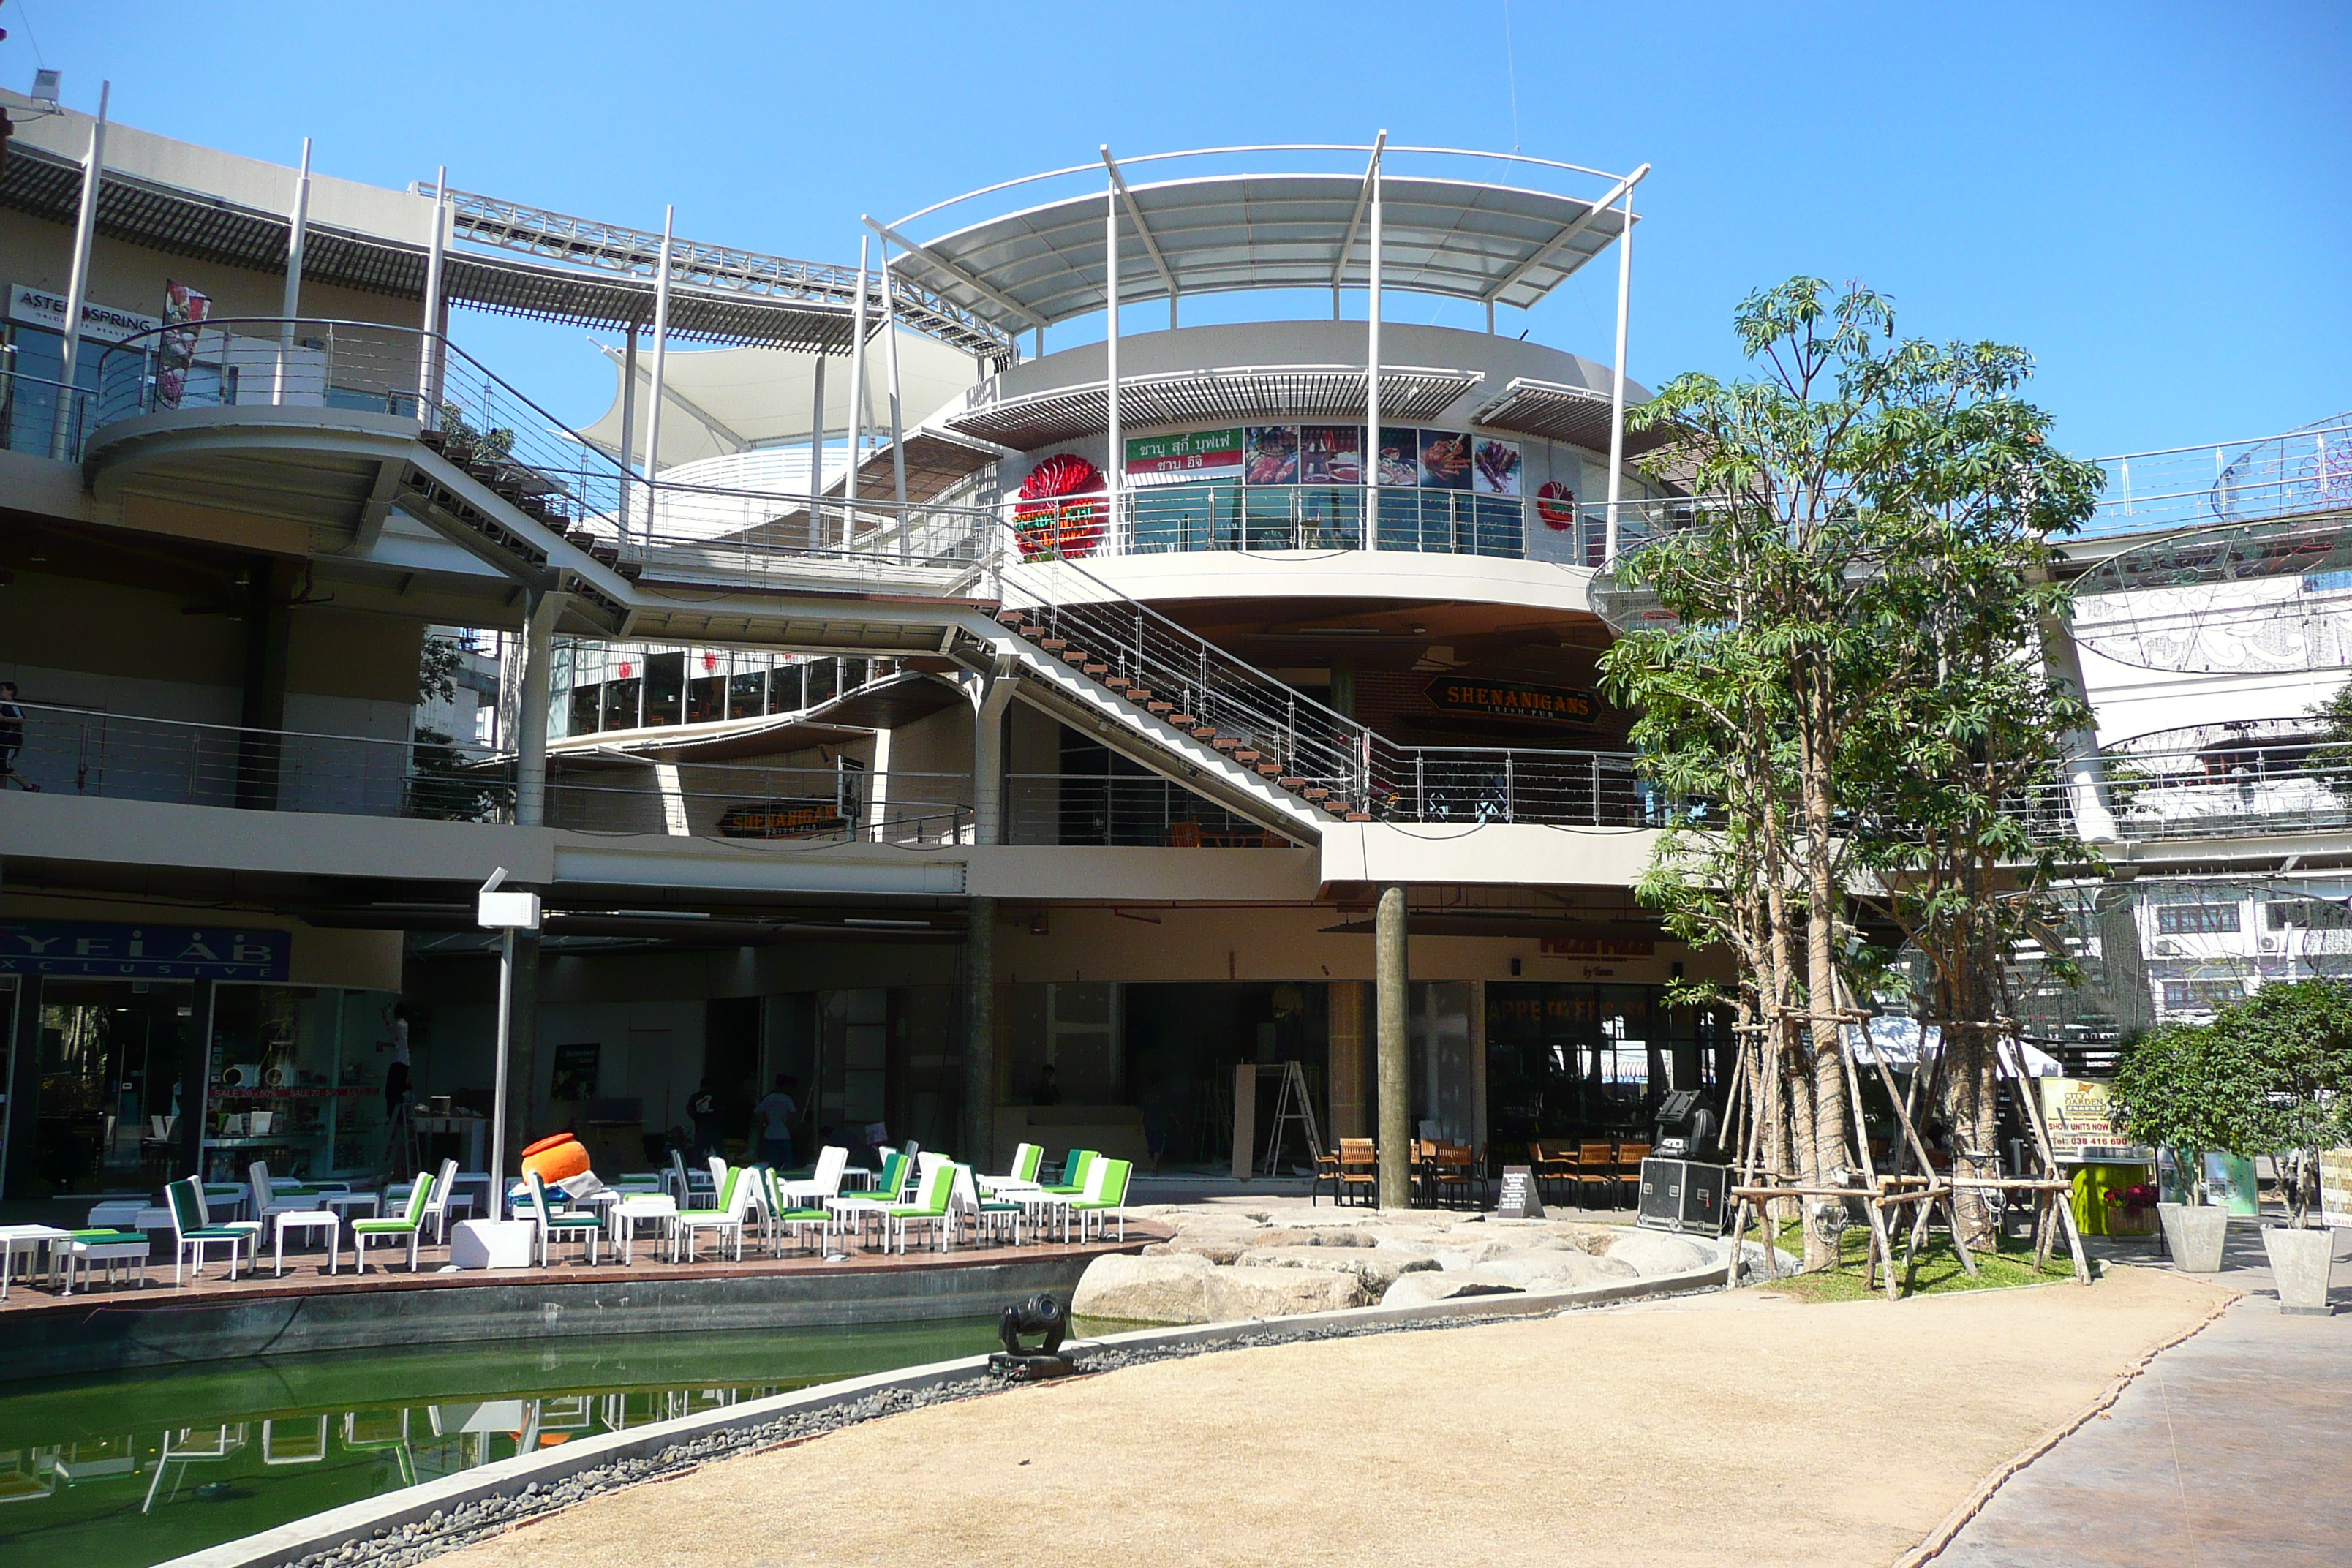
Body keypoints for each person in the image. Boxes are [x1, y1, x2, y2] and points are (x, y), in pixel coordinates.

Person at [751, 1074, 799, 1169]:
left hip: (770, 1134)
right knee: (788, 1161)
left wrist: (764, 1123)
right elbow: (792, 1115)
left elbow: (757, 1112)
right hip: (784, 1134)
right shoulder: (787, 1099)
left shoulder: (769, 1098)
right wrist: (789, 1126)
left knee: (773, 1162)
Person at [0, 681, 36, 791]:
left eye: (2, 690)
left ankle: (29, 786)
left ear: (10, 692)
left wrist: (3, 718)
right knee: (1, 766)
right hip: (2, 740)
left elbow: (21, 719)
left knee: (3, 766)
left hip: (10, 741)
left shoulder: (12, 705)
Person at [382, 1002, 413, 1117]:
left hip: (399, 1061)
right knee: (396, 1091)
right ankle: (397, 1117)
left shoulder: (399, 1025)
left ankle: (394, 1117)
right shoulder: (403, 1025)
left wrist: (384, 1045)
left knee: (391, 1092)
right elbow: (392, 1030)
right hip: (403, 1061)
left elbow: (397, 1042)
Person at [688, 1079, 720, 1158]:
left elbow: (689, 1110)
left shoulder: (695, 1097)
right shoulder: (715, 1097)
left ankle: (697, 1167)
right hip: (711, 1128)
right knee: (716, 1153)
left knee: (699, 1151)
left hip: (703, 1127)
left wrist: (697, 1117)